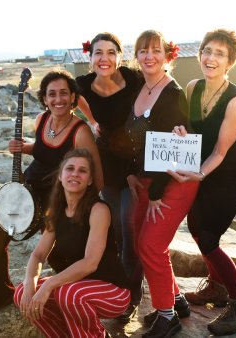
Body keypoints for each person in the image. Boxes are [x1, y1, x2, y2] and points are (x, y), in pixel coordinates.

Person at [0, 68, 103, 318]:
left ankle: (67, 299)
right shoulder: (42, 121)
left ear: (73, 98)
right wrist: (24, 147)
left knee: (56, 252)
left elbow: (97, 177)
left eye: (64, 94)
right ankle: (1, 294)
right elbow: (44, 149)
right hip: (28, 188)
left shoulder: (81, 131)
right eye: (52, 94)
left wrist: (77, 209)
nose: (58, 100)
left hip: (59, 196)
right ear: (44, 99)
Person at [168, 29, 236, 335]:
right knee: (195, 226)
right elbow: (188, 129)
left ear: (230, 61)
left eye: (220, 54)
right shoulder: (192, 88)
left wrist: (200, 174)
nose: (211, 58)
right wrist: (180, 132)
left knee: (208, 235)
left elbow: (220, 151)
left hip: (228, 172)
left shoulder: (235, 101)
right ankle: (215, 288)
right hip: (201, 167)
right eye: (207, 51)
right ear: (200, 54)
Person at [125, 30, 199, 338]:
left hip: (174, 181)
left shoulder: (173, 93)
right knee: (142, 242)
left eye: (156, 50)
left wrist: (154, 193)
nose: (149, 56)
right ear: (137, 56)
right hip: (146, 180)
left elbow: (173, 146)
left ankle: (167, 317)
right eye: (143, 51)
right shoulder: (138, 87)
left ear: (167, 55)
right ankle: (176, 300)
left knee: (151, 244)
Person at [14, 148, 130, 337]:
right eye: (70, 168)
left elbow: (90, 262)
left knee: (68, 295)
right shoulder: (57, 211)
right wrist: (30, 284)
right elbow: (38, 255)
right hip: (74, 287)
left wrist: (48, 285)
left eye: (82, 170)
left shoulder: (98, 210)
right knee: (21, 294)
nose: (75, 173)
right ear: (60, 175)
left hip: (112, 291)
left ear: (90, 180)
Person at [76, 32, 144, 322]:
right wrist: (90, 121)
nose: (104, 58)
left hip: (137, 163)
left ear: (120, 55)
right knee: (114, 228)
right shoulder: (81, 85)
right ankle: (117, 290)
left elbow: (163, 90)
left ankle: (133, 296)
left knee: (130, 227)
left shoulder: (133, 78)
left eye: (110, 52)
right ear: (90, 58)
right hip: (107, 167)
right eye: (98, 53)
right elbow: (60, 97)